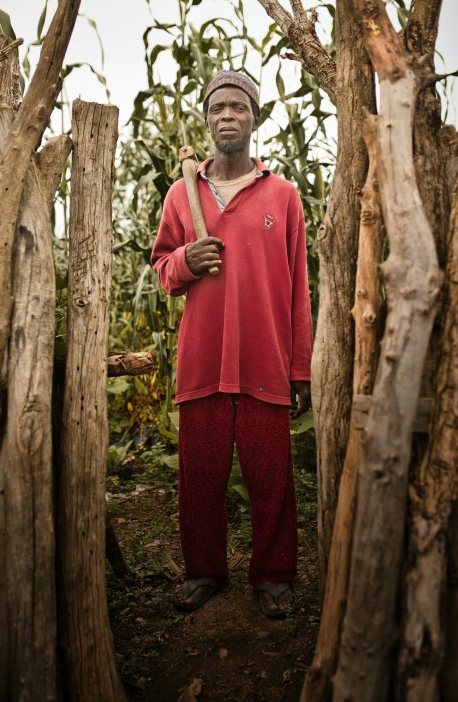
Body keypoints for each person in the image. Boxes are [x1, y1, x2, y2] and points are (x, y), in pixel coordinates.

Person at [151, 70, 313, 619]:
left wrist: (301, 369)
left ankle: (272, 575)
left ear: (255, 119)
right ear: (206, 118)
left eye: (238, 107)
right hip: (202, 360)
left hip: (265, 358)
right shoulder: (182, 194)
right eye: (217, 107)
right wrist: (184, 262)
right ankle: (204, 571)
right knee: (200, 475)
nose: (227, 115)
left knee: (272, 475)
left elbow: (298, 290)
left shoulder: (283, 196)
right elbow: (161, 268)